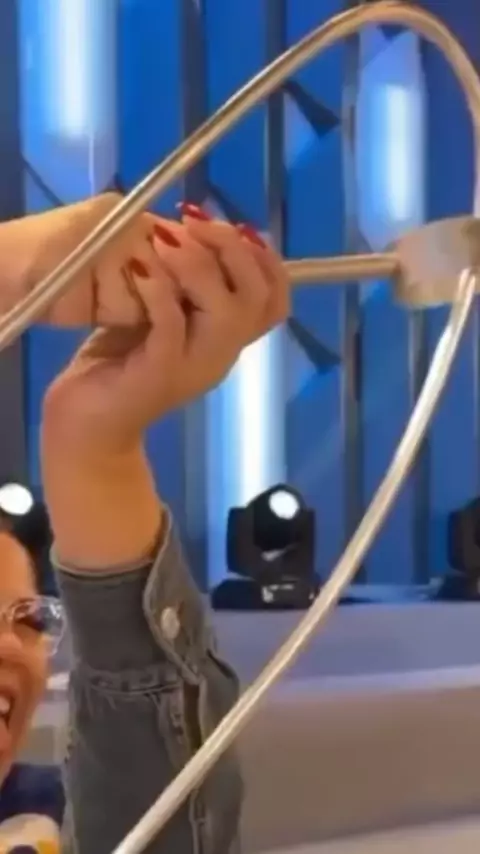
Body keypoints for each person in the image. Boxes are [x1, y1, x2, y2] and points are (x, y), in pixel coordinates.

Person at [0, 197, 289, 854]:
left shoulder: (40, 822)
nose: (11, 647)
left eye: (28, 620)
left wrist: (93, 448)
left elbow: (151, 797)